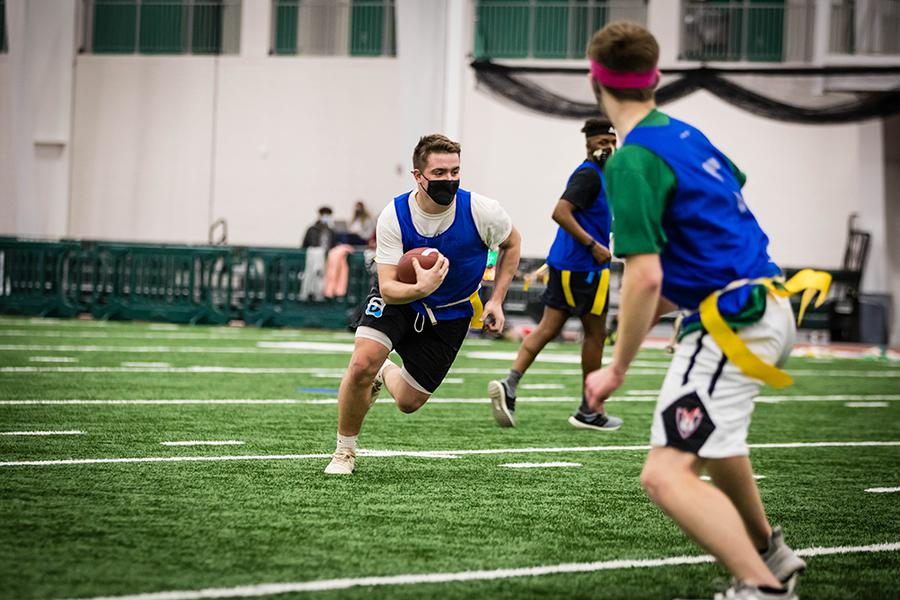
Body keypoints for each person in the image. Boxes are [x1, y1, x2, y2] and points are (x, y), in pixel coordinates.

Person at [582, 21, 826, 600]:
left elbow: (644, 277)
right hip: (766, 302)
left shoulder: (630, 161)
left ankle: (762, 587)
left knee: (664, 476)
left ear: (596, 81)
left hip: (732, 322)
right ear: (655, 79)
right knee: (719, 445)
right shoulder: (689, 135)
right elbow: (712, 224)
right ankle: (770, 550)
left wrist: (615, 368)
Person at [325, 134, 521, 475]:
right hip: (399, 299)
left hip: (452, 310)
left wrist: (498, 301)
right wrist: (421, 286)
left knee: (408, 402)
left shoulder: (482, 211)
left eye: (454, 171)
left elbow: (513, 243)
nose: (449, 180)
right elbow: (387, 289)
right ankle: (345, 451)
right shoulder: (394, 214)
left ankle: (385, 372)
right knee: (360, 364)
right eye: (439, 173)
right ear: (418, 175)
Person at [488, 118, 623, 432]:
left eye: (610, 142)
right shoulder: (589, 175)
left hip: (568, 265)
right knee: (595, 334)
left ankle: (510, 385)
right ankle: (590, 410)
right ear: (588, 143)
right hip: (584, 268)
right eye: (601, 142)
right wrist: (592, 245)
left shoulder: (602, 176)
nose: (606, 147)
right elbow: (560, 212)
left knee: (548, 328)